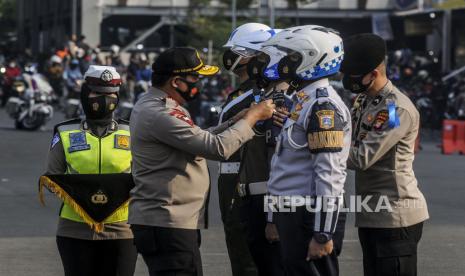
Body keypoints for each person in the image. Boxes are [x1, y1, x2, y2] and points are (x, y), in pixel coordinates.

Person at [129, 47, 275, 276]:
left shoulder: (160, 106)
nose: (199, 83)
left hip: (171, 221)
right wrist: (252, 117)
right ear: (176, 81)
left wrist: (232, 122)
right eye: (195, 78)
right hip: (167, 223)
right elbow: (216, 148)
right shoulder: (161, 113)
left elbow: (198, 138)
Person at [341, 33, 429, 276]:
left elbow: (361, 157)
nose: (348, 79)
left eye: (354, 74)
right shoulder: (364, 101)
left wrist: (323, 146)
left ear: (375, 73)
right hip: (373, 215)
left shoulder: (394, 109)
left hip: (395, 217)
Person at [265, 25, 351, 276]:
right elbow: (282, 165)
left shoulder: (322, 105)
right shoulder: (303, 99)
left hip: (307, 215)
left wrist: (323, 233)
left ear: (311, 57)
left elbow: (330, 174)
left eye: (291, 56)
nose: (283, 62)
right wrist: (273, 215)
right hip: (291, 213)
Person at [43, 65, 138, 276]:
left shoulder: (132, 131)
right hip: (74, 229)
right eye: (98, 93)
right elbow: (52, 177)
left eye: (111, 94)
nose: (105, 99)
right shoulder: (65, 131)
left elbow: (145, 175)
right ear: (86, 94)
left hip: (122, 229)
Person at [217, 22, 277, 276]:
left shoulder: (258, 96)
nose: (230, 56)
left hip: (245, 187)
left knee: (248, 262)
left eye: (237, 50)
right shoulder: (242, 94)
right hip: (236, 183)